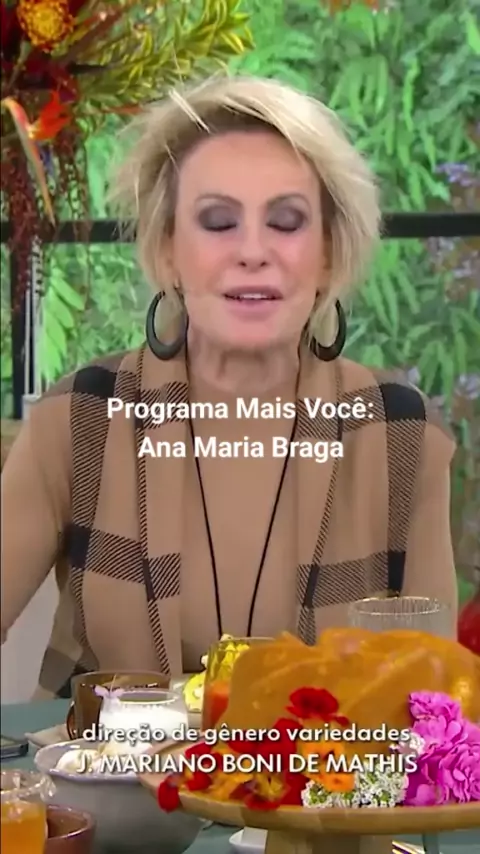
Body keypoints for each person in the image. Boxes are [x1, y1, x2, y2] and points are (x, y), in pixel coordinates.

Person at [1, 75, 457, 702]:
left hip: (329, 768)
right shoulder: (80, 417)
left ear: (327, 254)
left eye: (286, 222)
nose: (252, 252)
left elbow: (434, 702)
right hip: (100, 767)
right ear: (168, 251)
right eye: (218, 222)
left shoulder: (402, 434)